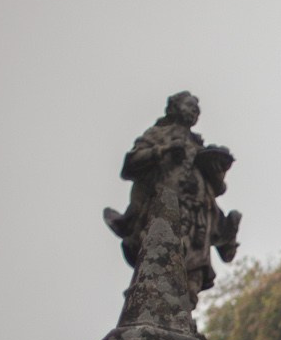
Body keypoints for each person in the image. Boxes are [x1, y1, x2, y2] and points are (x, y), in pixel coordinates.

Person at [103, 91, 242, 297]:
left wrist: (215, 170)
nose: (194, 111)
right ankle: (148, 302)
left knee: (192, 275)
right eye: (189, 105)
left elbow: (217, 188)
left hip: (197, 216)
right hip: (165, 210)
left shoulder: (198, 144)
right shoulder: (157, 134)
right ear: (174, 108)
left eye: (197, 108)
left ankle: (184, 315)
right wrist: (163, 150)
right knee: (159, 262)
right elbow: (130, 165)